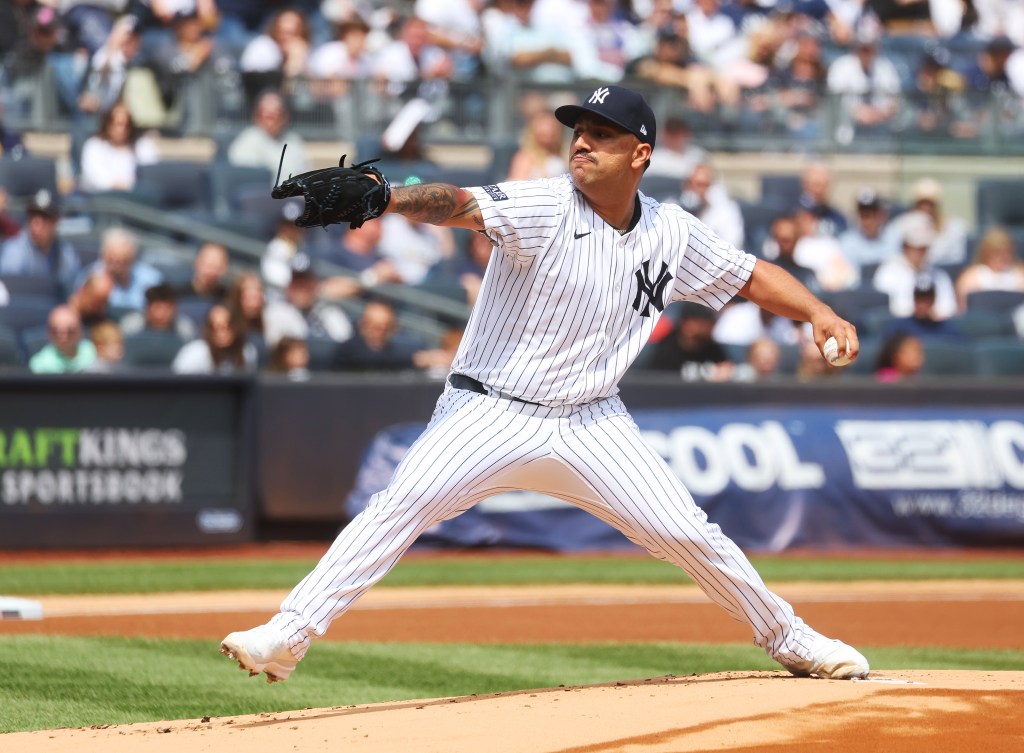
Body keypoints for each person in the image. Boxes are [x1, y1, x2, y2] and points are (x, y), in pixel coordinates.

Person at [220, 84, 869, 684]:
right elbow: (462, 204)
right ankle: (288, 633)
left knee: (688, 532)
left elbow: (751, 274)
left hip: (592, 419)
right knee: (403, 500)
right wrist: (387, 195)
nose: (581, 141)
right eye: (578, 129)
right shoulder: (546, 202)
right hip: (491, 408)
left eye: (602, 132)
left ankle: (789, 635)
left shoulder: (670, 232)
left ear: (641, 154)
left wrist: (819, 311)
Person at [0, 189, 82, 297]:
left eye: (44, 218)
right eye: (32, 216)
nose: (36, 225)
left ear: (56, 222)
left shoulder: (65, 254)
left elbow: (72, 292)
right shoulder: (15, 251)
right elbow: (10, 292)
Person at [873, 217, 957, 319]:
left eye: (925, 247)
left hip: (935, 328)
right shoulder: (888, 272)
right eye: (917, 247)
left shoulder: (939, 275)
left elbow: (949, 309)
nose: (922, 252)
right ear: (905, 246)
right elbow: (891, 312)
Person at [77, 101, 160, 193]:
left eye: (126, 125)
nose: (122, 129)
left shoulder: (143, 146)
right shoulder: (94, 146)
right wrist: (114, 185)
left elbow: (150, 175)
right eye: (118, 124)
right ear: (108, 124)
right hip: (100, 200)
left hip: (135, 200)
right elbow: (93, 176)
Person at [227, 89, 309, 179]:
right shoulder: (246, 143)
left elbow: (305, 174)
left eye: (275, 115)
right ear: (256, 116)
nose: (270, 122)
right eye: (266, 115)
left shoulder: (293, 140)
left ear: (286, 116)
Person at [77, 227, 163, 311]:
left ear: (133, 258)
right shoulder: (90, 276)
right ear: (103, 256)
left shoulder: (151, 280)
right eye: (112, 261)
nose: (117, 267)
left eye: (123, 262)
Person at [172, 303, 259, 374]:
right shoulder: (194, 354)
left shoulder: (248, 352)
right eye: (216, 328)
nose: (222, 333)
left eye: (227, 327)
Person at [955, 226, 1024, 311]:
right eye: (998, 253)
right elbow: (963, 309)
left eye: (1007, 252)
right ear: (987, 252)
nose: (1003, 257)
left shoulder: (1020, 274)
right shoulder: (972, 276)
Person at [29, 304, 97, 374]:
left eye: (70, 332)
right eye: (56, 332)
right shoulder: (39, 365)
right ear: (48, 333)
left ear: (80, 331)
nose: (63, 337)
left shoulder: (95, 353)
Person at [119, 281, 197, 340]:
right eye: (157, 307)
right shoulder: (131, 326)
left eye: (167, 308)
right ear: (147, 309)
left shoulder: (184, 328)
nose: (162, 314)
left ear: (175, 309)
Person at [506, 110, 566, 181]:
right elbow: (515, 185)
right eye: (543, 125)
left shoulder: (562, 154)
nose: (548, 130)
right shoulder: (526, 156)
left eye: (551, 125)